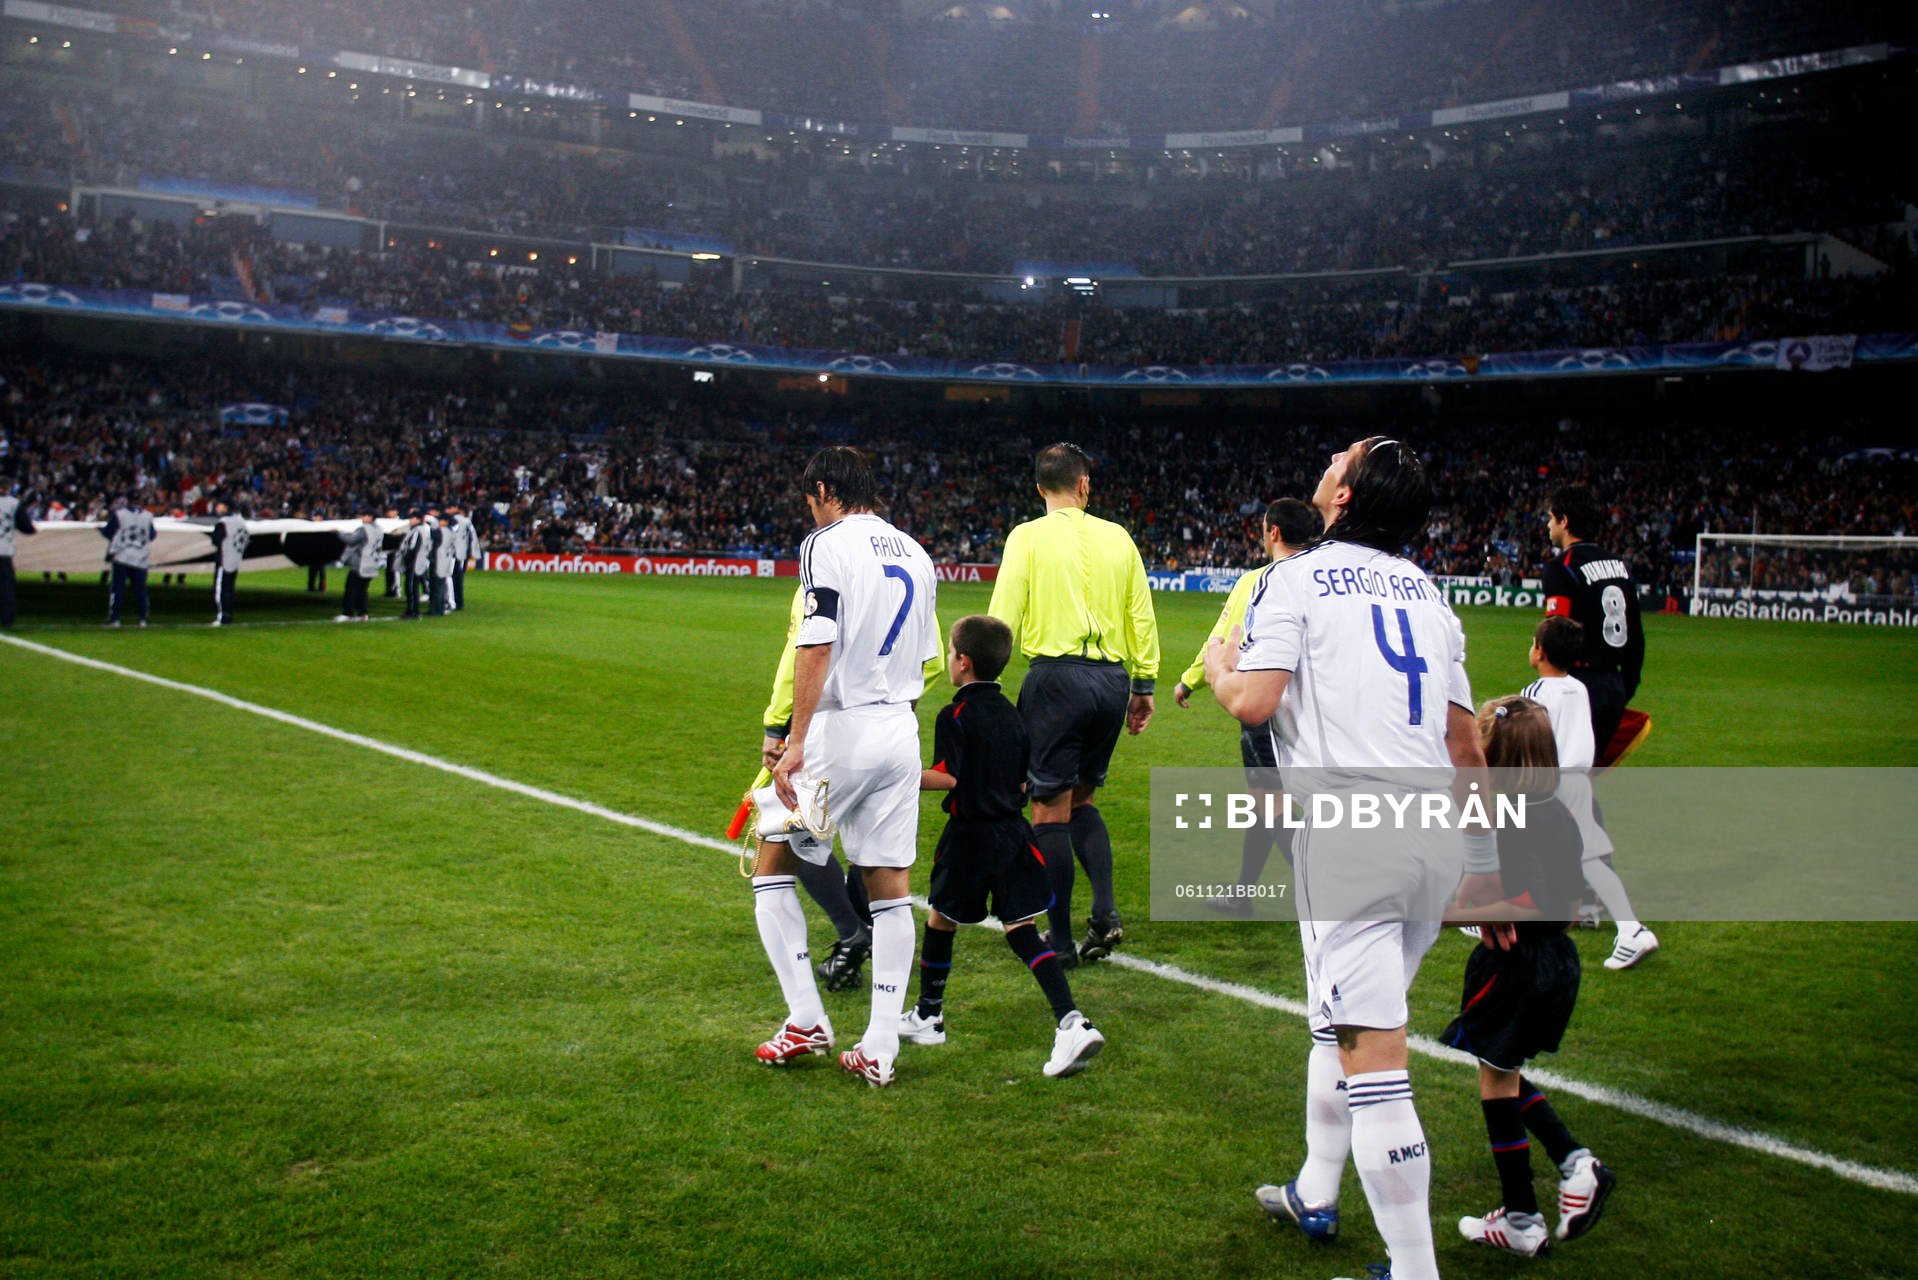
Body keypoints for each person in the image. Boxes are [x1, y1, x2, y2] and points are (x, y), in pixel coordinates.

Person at [1206, 436, 1494, 1280]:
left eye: (1342, 457)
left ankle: (1414, 1269)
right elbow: (1463, 743)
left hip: (1351, 836)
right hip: (1430, 839)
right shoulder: (1430, 594)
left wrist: (1223, 667)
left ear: (1345, 497)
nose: (1329, 459)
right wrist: (1489, 865)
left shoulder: (1293, 580)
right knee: (1337, 1023)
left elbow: (1256, 704)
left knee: (1375, 1059)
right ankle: (1315, 1187)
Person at [761, 446, 939, 1089]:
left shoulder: (825, 544)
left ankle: (807, 1018)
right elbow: (925, 659)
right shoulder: (917, 552)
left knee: (770, 868)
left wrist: (797, 737)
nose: (810, 509)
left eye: (810, 498)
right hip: (899, 727)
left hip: (841, 727)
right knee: (890, 888)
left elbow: (816, 638)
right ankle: (880, 1046)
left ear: (825, 490)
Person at [1442, 696, 1616, 1257]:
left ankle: (1530, 1207)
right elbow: (1566, 901)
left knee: (1496, 1080)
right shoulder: (1558, 810)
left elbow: (1528, 900)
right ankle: (1560, 1174)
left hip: (1517, 963)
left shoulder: (1506, 816)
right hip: (1558, 960)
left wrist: (1444, 913)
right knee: (1504, 1069)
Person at [900, 614, 1106, 1077]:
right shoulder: (1014, 712)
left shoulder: (954, 714)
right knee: (1021, 929)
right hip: (1014, 833)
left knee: (941, 918)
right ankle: (1071, 1020)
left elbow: (948, 776)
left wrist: (897, 777)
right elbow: (1020, 780)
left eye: (951, 654)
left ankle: (929, 1015)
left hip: (970, 836)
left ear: (963, 663)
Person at [987, 442, 1159, 967]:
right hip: (1110, 683)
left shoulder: (1027, 537)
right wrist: (1144, 684)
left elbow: (1002, 616)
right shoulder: (1119, 537)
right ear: (1084, 485)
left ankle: (1058, 939)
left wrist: (984, 684)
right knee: (1081, 801)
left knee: (1047, 810)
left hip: (1055, 681)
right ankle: (1104, 914)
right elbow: (1141, 614)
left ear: (1040, 487)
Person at [1173, 497, 1320, 913]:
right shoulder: (1325, 580)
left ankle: (1327, 896)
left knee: (1271, 807)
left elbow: (1223, 639)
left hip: (1266, 704)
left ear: (1273, 531)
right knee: (1265, 803)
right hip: (1317, 711)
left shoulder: (1259, 581)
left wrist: (1188, 681)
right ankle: (1244, 894)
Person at [760, 580, 882, 992]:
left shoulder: (820, 574)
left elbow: (800, 657)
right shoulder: (910, 569)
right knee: (874, 850)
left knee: (797, 838)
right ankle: (868, 940)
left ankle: (852, 935)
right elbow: (932, 662)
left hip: (830, 728)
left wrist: (779, 727)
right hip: (893, 727)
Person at [1523, 616, 1658, 970]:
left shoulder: (1535, 694)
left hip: (1549, 785)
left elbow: (1524, 742)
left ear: (1540, 651)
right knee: (1588, 858)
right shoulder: (1580, 688)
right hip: (1579, 780)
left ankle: (1495, 913)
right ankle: (1624, 926)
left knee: (1512, 843)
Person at [1542, 486, 1643, 755]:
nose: (1548, 525)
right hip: (1614, 685)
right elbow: (1637, 636)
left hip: (1579, 685)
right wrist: (1625, 686)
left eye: (1552, 518)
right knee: (1580, 780)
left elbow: (1558, 632)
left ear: (1564, 521)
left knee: (1556, 781)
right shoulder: (1620, 566)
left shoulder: (1561, 567)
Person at [101, 494, 156, 627]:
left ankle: (115, 619)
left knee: (118, 589)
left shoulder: (119, 514)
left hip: (122, 556)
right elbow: (152, 535)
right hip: (140, 557)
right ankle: (143, 618)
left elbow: (108, 532)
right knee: (141, 590)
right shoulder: (148, 516)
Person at [0, 477, 36, 629]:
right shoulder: (14, 504)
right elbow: (26, 527)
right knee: (6, 587)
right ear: (8, 487)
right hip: (4, 551)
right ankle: (7, 619)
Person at [208, 499, 248, 626]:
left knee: (221, 589)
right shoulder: (241, 522)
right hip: (235, 559)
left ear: (225, 507)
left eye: (219, 505)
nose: (217, 508)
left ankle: (223, 616)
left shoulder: (224, 523)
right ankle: (228, 614)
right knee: (230, 588)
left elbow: (215, 540)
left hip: (224, 559)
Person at [335, 511, 381, 622]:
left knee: (351, 589)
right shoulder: (380, 529)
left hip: (360, 564)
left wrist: (338, 533)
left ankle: (347, 613)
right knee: (363, 590)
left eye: (365, 515)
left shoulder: (364, 529)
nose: (362, 517)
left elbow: (351, 540)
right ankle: (363, 613)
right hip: (372, 563)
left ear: (370, 517)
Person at [396, 510, 430, 619]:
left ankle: (413, 611)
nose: (409, 520)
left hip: (414, 563)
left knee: (411, 587)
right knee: (413, 587)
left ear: (417, 519)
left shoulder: (417, 530)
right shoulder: (425, 529)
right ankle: (413, 610)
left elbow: (412, 548)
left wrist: (406, 560)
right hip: (420, 562)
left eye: (411, 518)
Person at [447, 502, 477, 611]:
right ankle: (458, 602)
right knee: (457, 578)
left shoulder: (458, 521)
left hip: (458, 554)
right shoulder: (468, 523)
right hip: (464, 554)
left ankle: (456, 602)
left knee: (455, 578)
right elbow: (471, 538)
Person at [429, 509, 456, 617]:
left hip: (439, 561)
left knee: (437, 586)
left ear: (445, 521)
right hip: (447, 561)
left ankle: (435, 609)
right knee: (441, 585)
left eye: (440, 520)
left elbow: (430, 534)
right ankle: (440, 608)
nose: (438, 522)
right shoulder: (451, 532)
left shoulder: (440, 532)